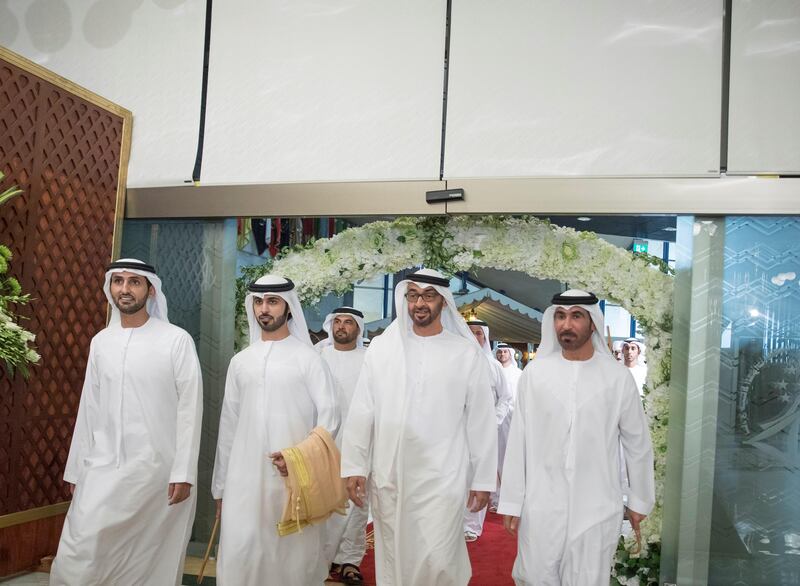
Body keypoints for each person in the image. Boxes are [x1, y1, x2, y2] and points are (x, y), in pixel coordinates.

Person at [341, 268, 497, 586]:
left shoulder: (465, 353)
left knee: (440, 558)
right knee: (394, 557)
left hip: (444, 477)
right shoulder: (384, 348)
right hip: (391, 474)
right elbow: (362, 409)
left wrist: (482, 478)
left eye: (428, 296)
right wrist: (355, 464)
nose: (419, 303)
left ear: (443, 301)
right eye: (413, 295)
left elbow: (481, 420)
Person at [51, 259, 203, 586]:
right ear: (110, 288)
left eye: (134, 281)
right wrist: (77, 468)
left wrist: (183, 471)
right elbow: (89, 408)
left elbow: (190, 410)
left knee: (146, 559)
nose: (125, 288)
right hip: (101, 467)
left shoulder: (176, 340)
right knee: (78, 551)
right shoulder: (101, 342)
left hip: (154, 472)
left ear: (150, 290)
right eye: (118, 281)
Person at [499, 290, 654, 586]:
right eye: (560, 316)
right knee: (534, 576)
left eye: (576, 316)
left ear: (592, 323)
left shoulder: (616, 377)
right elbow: (518, 441)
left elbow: (637, 444)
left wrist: (639, 499)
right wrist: (511, 501)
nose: (565, 324)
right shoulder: (536, 374)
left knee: (588, 579)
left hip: (597, 504)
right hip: (542, 502)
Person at [212, 275, 339, 585]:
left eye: (272, 301)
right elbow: (228, 423)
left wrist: (300, 457)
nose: (263, 309)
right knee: (241, 551)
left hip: (294, 479)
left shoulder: (309, 359)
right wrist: (221, 486)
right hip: (243, 479)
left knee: (291, 557)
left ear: (289, 308)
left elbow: (331, 417)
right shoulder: (241, 361)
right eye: (258, 302)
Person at [317, 306, 370, 585]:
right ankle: (322, 561)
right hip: (324, 441)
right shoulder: (318, 354)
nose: (341, 327)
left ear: (358, 328)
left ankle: (350, 560)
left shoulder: (369, 358)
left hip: (360, 441)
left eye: (348, 322)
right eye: (336, 321)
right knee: (325, 503)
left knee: (358, 503)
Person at [463, 319, 513, 542]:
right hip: (457, 430)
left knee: (478, 475)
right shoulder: (456, 361)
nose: (474, 337)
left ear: (485, 338)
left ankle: (472, 525)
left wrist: (494, 420)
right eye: (470, 333)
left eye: (479, 334)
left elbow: (506, 397)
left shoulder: (493, 366)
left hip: (485, 430)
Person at [493, 342, 523, 511]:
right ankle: (495, 496)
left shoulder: (518, 374)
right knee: (494, 459)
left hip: (511, 420)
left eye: (505, 351)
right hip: (494, 420)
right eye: (500, 351)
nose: (502, 354)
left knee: (507, 459)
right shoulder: (494, 371)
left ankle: (508, 497)